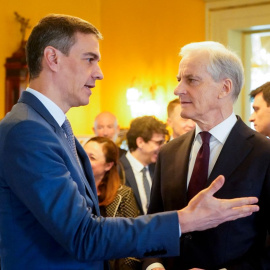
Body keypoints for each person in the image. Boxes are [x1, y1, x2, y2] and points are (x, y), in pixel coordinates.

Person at [0, 14, 259, 270]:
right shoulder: (28, 131)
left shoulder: (51, 126)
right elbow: (83, 235)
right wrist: (185, 220)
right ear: (53, 58)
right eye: (90, 59)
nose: (99, 74)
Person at [143, 41, 270, 270]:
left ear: (224, 88)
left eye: (191, 80)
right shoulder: (168, 152)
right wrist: (153, 266)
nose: (178, 89)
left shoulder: (264, 154)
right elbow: (154, 223)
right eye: (179, 80)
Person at [84, 136, 140, 269]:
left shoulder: (123, 194)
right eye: (81, 154)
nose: (83, 161)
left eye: (92, 157)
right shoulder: (73, 190)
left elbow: (133, 239)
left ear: (108, 165)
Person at [120, 116, 167, 215]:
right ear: (140, 142)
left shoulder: (159, 169)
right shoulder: (118, 170)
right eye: (159, 142)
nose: (162, 147)